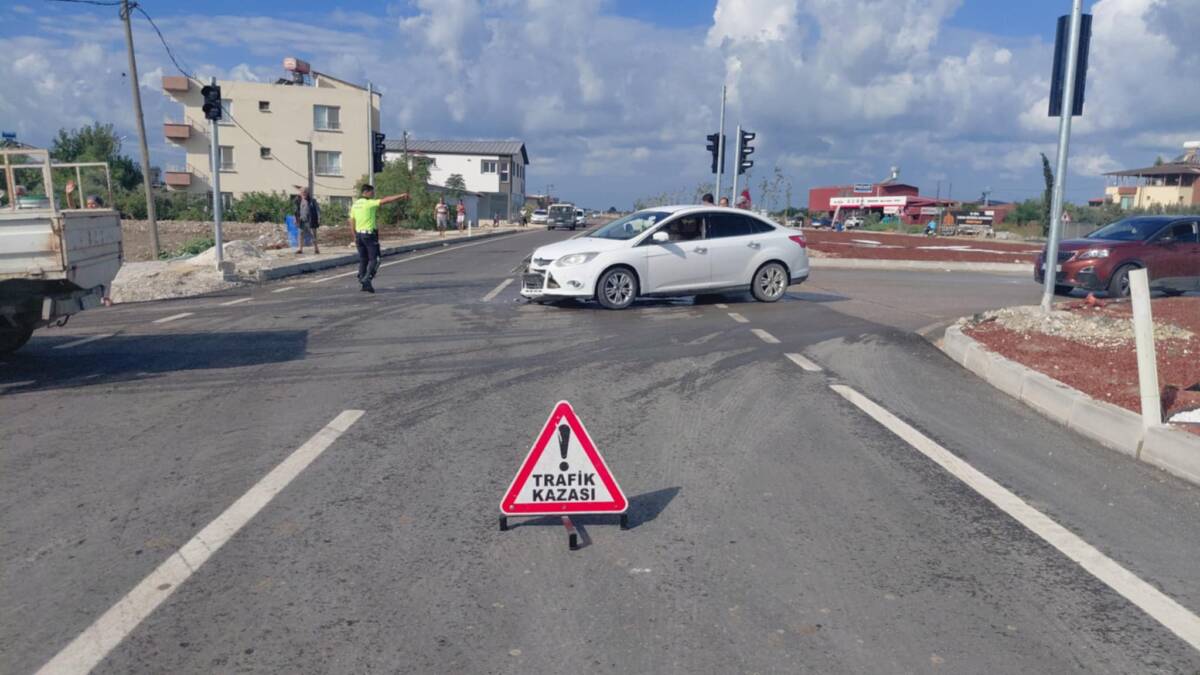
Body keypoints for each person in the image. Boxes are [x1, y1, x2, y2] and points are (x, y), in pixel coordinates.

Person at [349, 184, 409, 293]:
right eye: (372, 192)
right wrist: (401, 195)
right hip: (369, 235)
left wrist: (355, 237)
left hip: (359, 235)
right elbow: (386, 200)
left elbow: (351, 221)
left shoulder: (355, 204)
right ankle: (367, 279)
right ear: (366, 192)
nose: (373, 194)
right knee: (375, 260)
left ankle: (363, 282)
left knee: (363, 259)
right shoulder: (369, 203)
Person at [295, 187, 321, 254]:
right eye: (302, 192)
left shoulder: (312, 201)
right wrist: (296, 219)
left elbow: (318, 210)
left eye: (305, 192)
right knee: (300, 234)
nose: (304, 193)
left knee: (313, 235)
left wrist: (318, 218)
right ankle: (300, 249)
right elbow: (296, 211)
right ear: (300, 193)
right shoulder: (299, 200)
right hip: (302, 220)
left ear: (307, 193)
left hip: (311, 220)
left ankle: (316, 249)